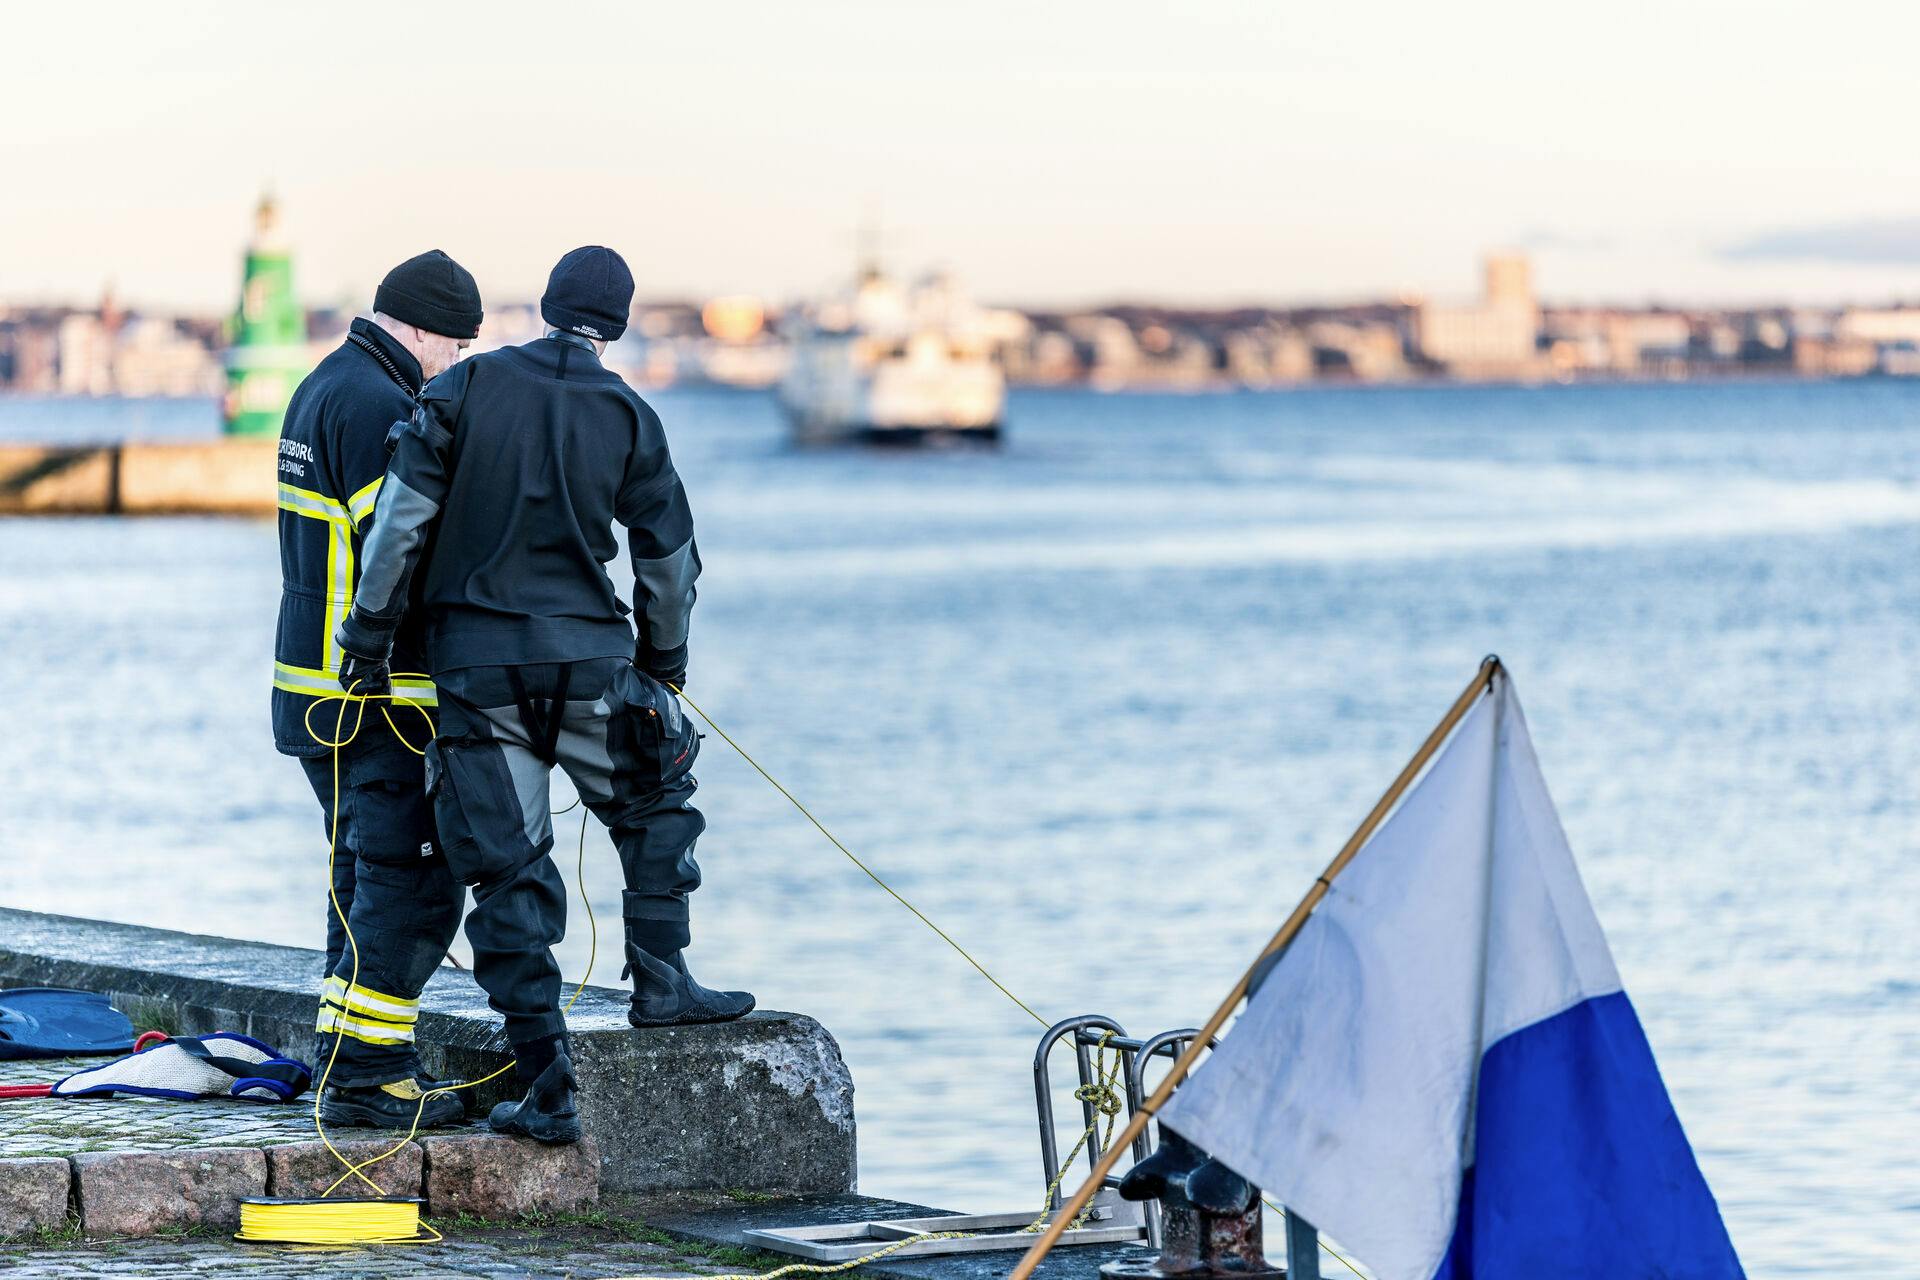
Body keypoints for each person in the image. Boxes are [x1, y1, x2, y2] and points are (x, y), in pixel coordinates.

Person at [333, 246, 753, 1145]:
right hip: (591, 664)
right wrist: (664, 667)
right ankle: (664, 984)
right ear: (617, 326)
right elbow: (670, 563)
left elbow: (400, 526)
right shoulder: (630, 415)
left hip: (478, 677)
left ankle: (547, 1082)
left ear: (547, 305)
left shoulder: (466, 386)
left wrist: (366, 640)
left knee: (509, 868)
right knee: (655, 806)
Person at [272, 251, 483, 1130]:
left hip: (314, 693)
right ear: (424, 330)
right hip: (373, 699)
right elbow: (398, 552)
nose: (457, 367)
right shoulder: (378, 407)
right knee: (415, 883)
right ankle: (370, 1076)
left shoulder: (324, 385)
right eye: (457, 348)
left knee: (360, 879)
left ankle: (345, 1059)